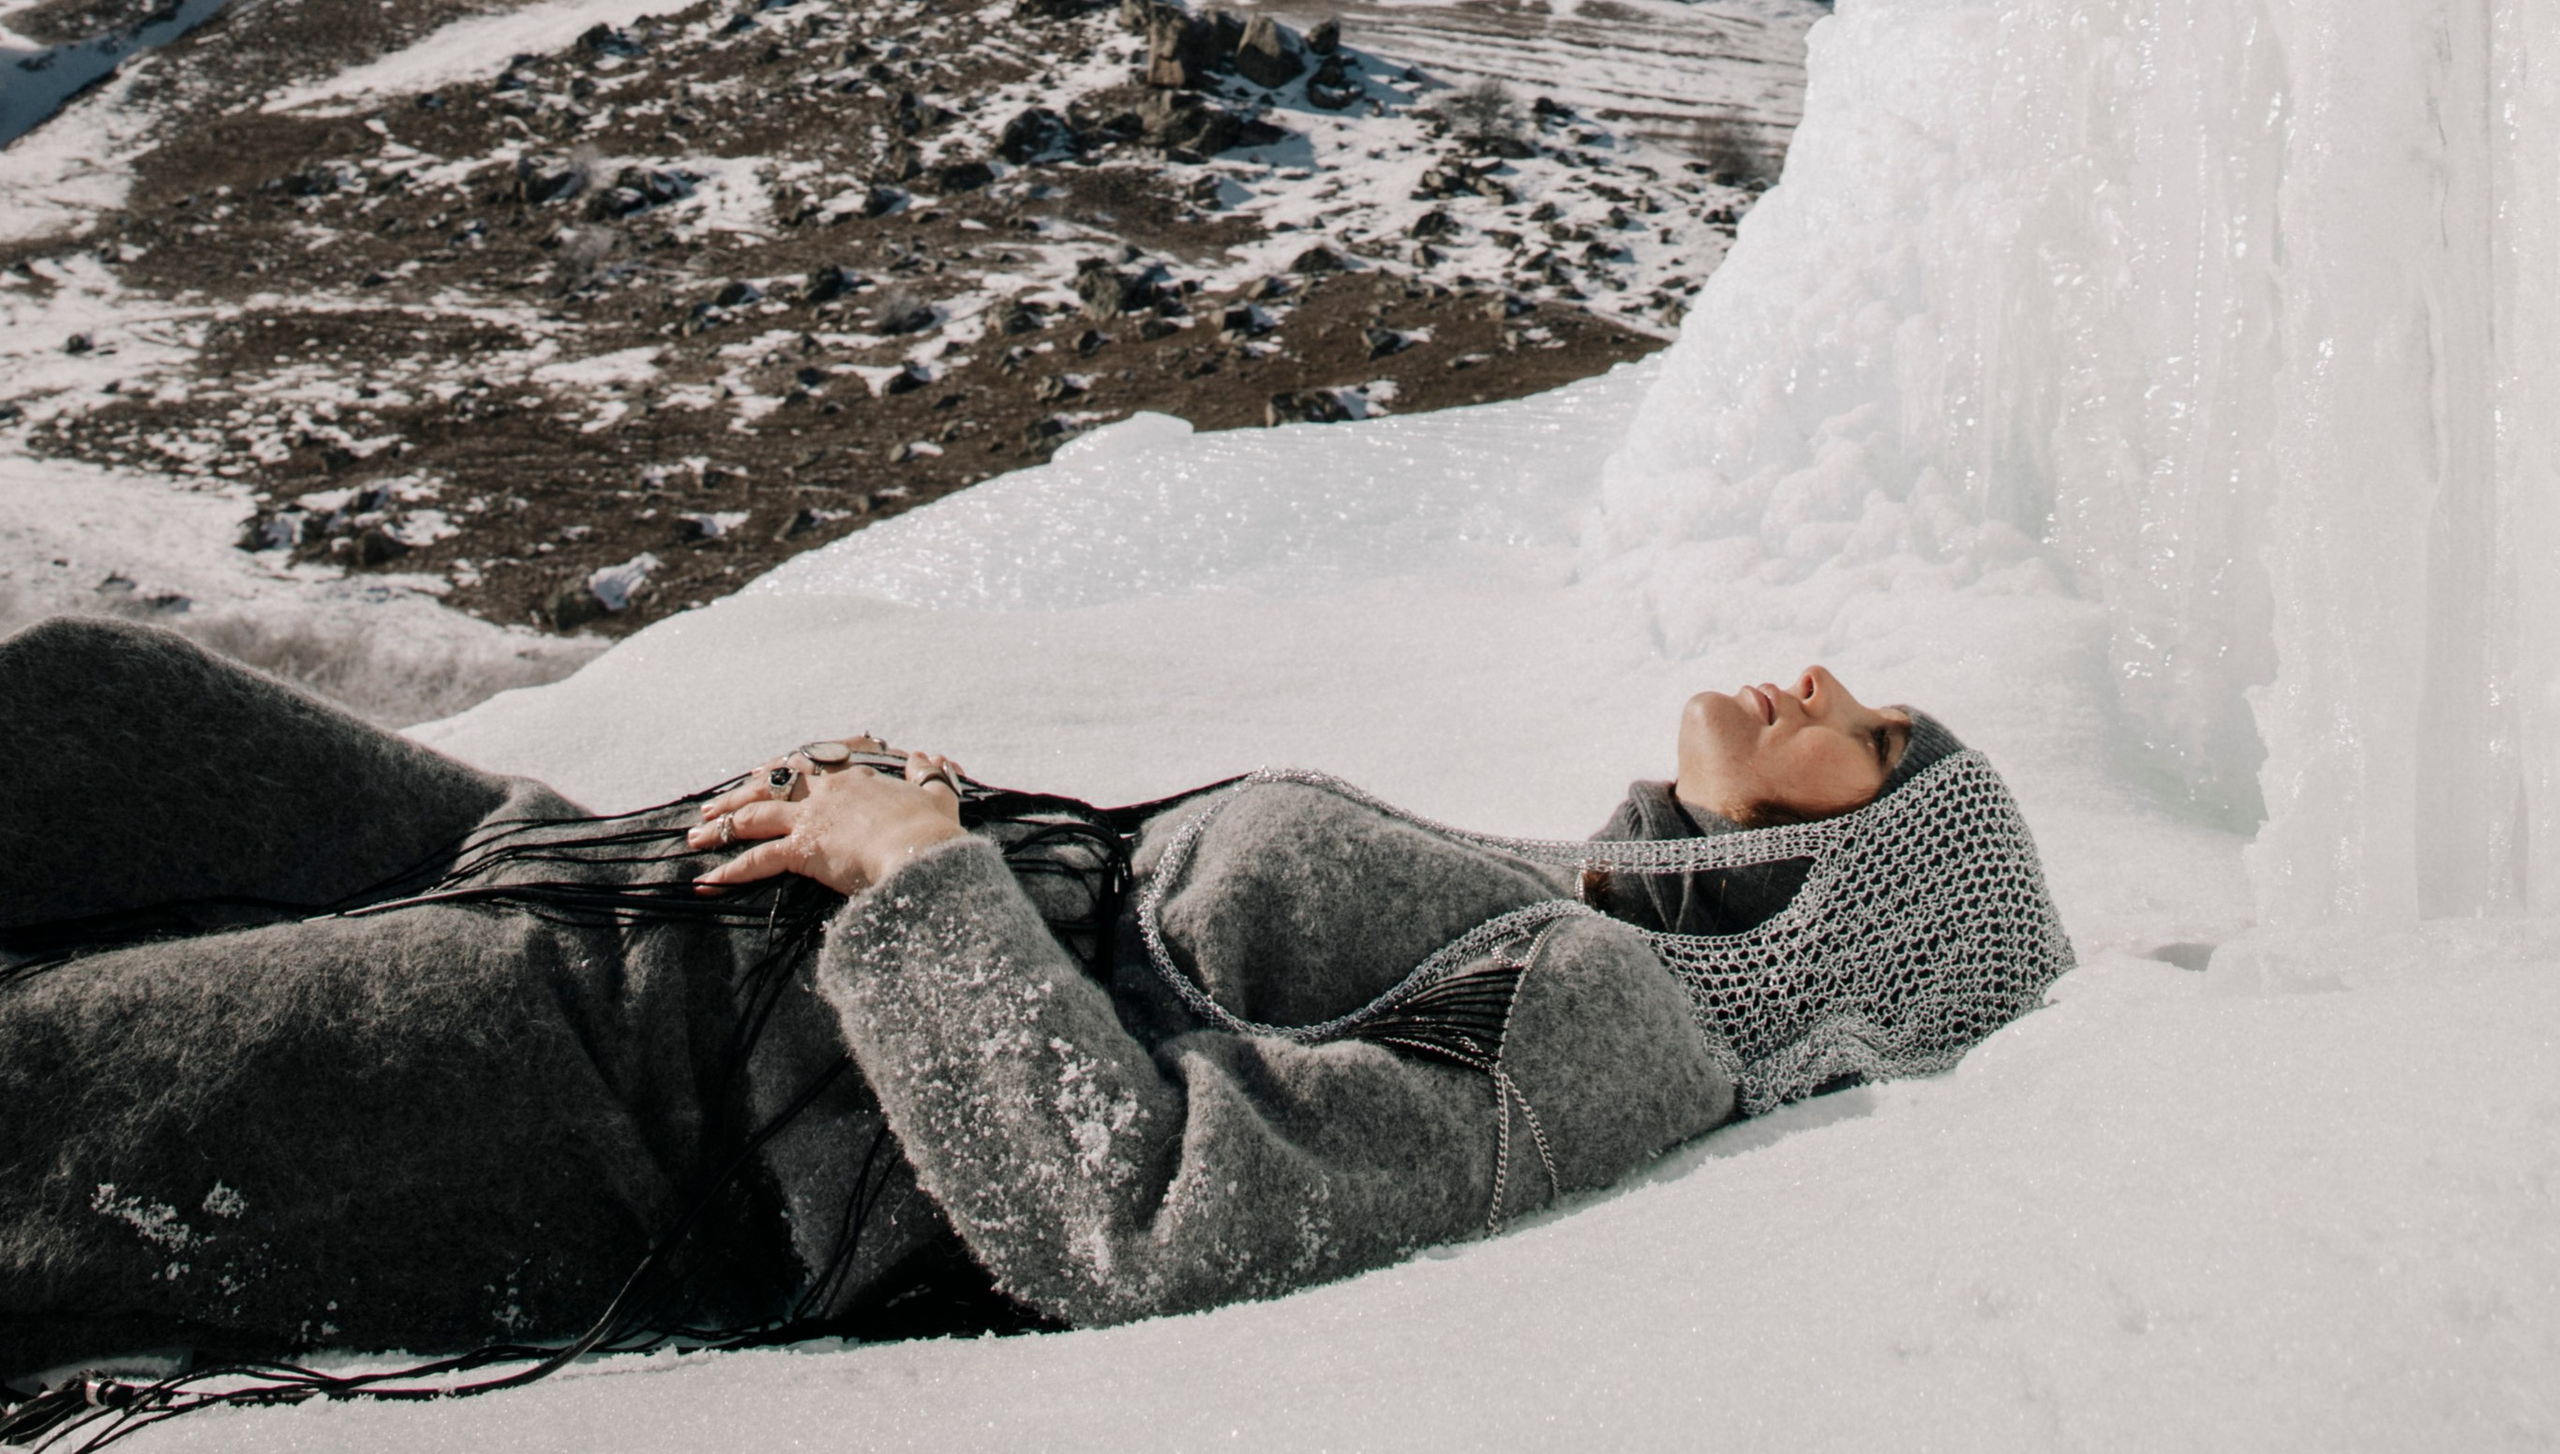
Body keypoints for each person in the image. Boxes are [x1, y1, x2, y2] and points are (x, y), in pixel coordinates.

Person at [0, 616, 2070, 1408]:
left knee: (46, 1096)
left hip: (667, 1091)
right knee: (95, 720)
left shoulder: (1621, 1024)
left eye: (1872, 741)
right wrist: (912, 812)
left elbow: (1148, 1213)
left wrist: (918, 877)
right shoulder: (1558, 899)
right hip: (658, 904)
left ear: (1863, 888)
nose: (1818, 677)